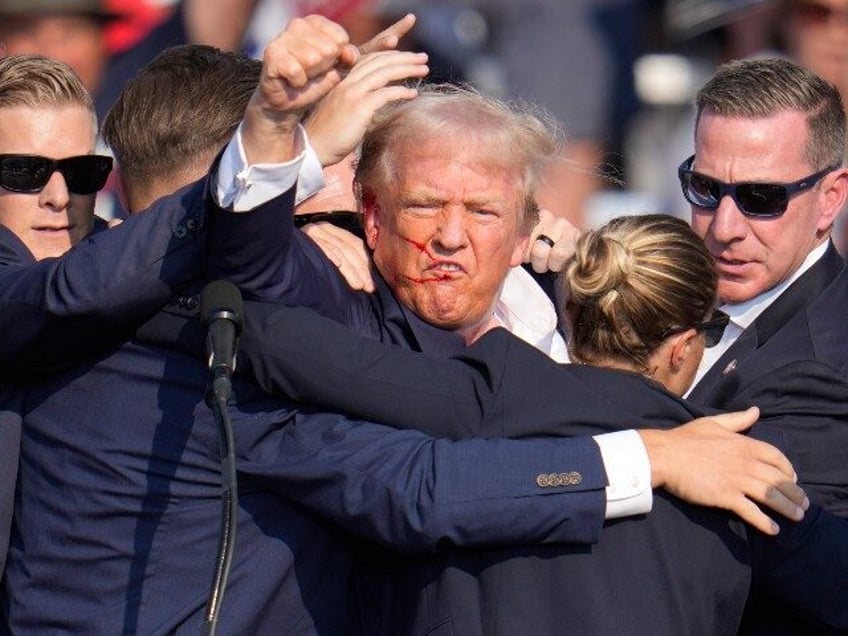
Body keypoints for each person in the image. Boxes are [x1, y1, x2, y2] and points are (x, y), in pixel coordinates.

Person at [1, 20, 803, 634]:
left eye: (484, 212)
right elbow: (417, 481)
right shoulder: (227, 329)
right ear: (374, 212)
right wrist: (649, 456)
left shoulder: (555, 299)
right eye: (422, 206)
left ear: (525, 223)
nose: (451, 237)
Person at [191, 214, 847, 635]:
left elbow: (318, 358)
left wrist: (293, 239)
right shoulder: (735, 475)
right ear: (681, 346)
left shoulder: (478, 400)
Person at [678, 56, 848, 635]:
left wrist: (648, 449)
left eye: (761, 197)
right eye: (704, 188)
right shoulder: (660, 285)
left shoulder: (826, 363)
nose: (724, 226)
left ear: (830, 198)